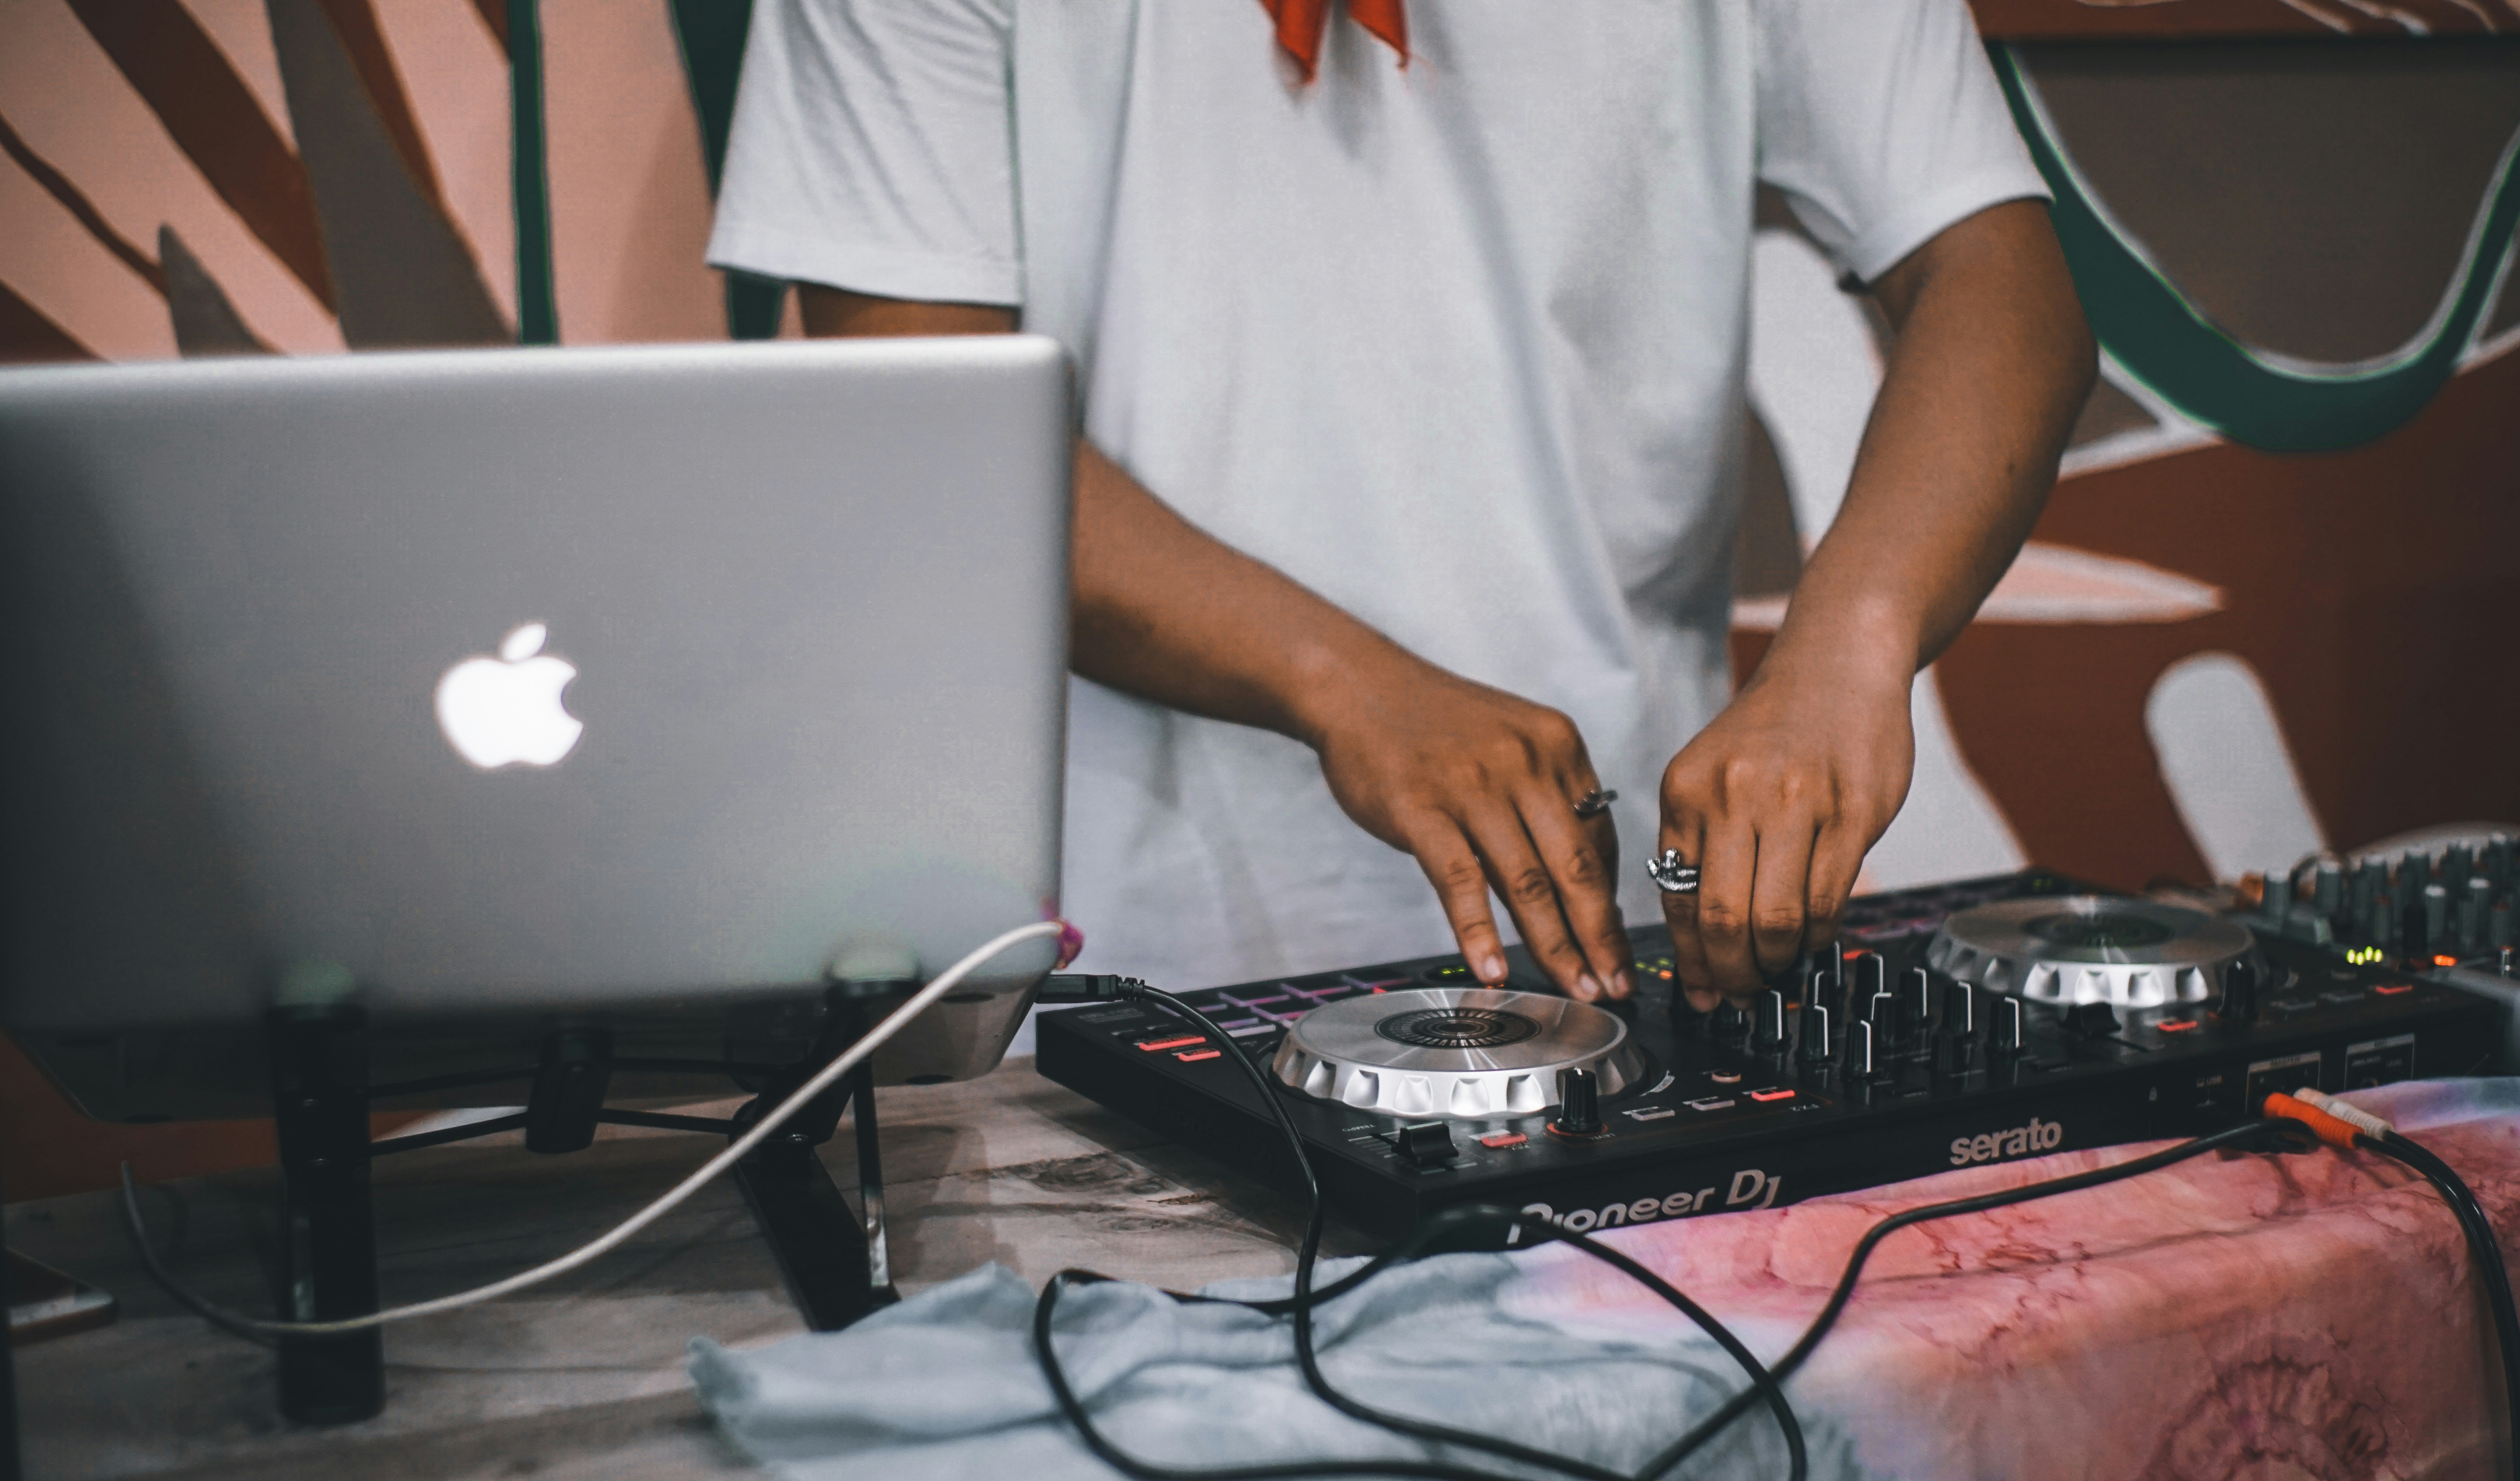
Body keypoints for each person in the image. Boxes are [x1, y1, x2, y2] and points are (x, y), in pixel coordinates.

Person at [709, 0, 2095, 1007]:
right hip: (1099, 963)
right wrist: (1351, 685)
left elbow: (1997, 280)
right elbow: (932, 420)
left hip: (1619, 954)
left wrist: (1847, 648)